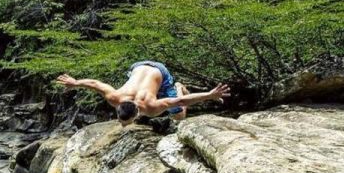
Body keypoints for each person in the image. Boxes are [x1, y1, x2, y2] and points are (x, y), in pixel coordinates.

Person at [56, 60, 230, 126]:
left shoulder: (152, 107)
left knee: (179, 117)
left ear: (138, 112)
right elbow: (95, 83)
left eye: (128, 121)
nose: (124, 124)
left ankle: (178, 85)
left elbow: (182, 101)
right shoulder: (114, 97)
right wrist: (75, 82)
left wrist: (209, 95)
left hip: (160, 73)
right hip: (138, 66)